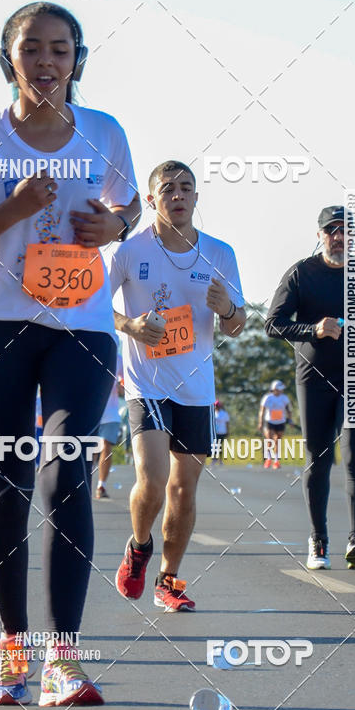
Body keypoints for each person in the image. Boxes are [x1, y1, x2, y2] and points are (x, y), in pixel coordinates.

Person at [0, 1, 139, 706]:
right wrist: (12, 209)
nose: (47, 62)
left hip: (80, 330)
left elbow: (129, 207)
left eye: (61, 49)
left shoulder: (105, 134)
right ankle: (13, 649)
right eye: (32, 49)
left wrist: (114, 222)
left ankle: (65, 661)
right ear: (8, 59)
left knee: (68, 468)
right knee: (9, 486)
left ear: (78, 59)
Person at [110, 160, 245, 611]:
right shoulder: (129, 253)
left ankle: (169, 580)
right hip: (146, 383)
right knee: (153, 477)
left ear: (196, 197)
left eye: (186, 188)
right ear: (152, 200)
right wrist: (129, 324)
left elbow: (237, 326)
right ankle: (139, 544)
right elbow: (90, 306)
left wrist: (227, 308)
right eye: (168, 189)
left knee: (184, 487)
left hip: (196, 389)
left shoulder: (220, 254)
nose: (178, 195)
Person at [265, 205, 355, 571]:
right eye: (332, 230)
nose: (339, 237)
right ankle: (319, 541)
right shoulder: (301, 273)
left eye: (346, 231)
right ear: (319, 235)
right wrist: (313, 329)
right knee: (318, 459)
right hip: (314, 379)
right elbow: (273, 324)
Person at [95, 354, 124, 498]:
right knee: (91, 451)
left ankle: (101, 485)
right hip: (90, 412)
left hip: (111, 413)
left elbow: (125, 384)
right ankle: (84, 484)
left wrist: (121, 387)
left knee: (106, 447)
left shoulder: (117, 358)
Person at [257, 380, 292, 469]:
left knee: (278, 441)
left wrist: (290, 420)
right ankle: (268, 459)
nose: (281, 391)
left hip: (280, 421)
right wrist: (260, 422)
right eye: (279, 389)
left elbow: (289, 410)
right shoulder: (267, 398)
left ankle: (276, 461)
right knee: (270, 440)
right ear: (274, 389)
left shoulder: (284, 398)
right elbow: (262, 411)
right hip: (270, 421)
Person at [210, 400, 230, 466]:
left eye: (217, 406)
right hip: (214, 432)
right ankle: (214, 459)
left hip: (222, 432)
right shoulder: (213, 413)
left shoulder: (224, 414)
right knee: (214, 446)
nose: (215, 407)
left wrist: (228, 432)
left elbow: (227, 423)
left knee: (219, 446)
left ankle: (219, 460)